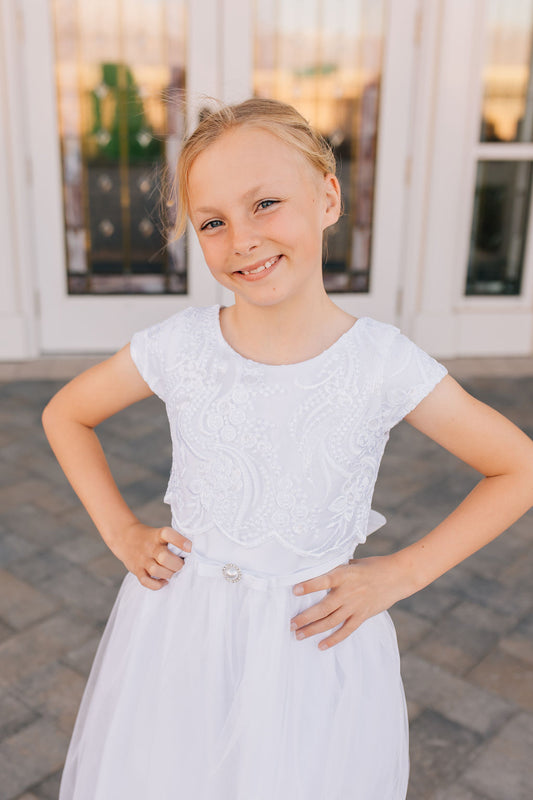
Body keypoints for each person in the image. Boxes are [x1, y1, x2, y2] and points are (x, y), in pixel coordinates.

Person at [42, 98, 533, 800]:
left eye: (265, 204)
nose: (242, 239)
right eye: (213, 222)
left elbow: (517, 466)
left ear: (327, 198)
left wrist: (403, 573)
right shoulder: (181, 347)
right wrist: (120, 530)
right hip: (179, 639)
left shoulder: (380, 363)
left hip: (310, 646)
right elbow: (66, 413)